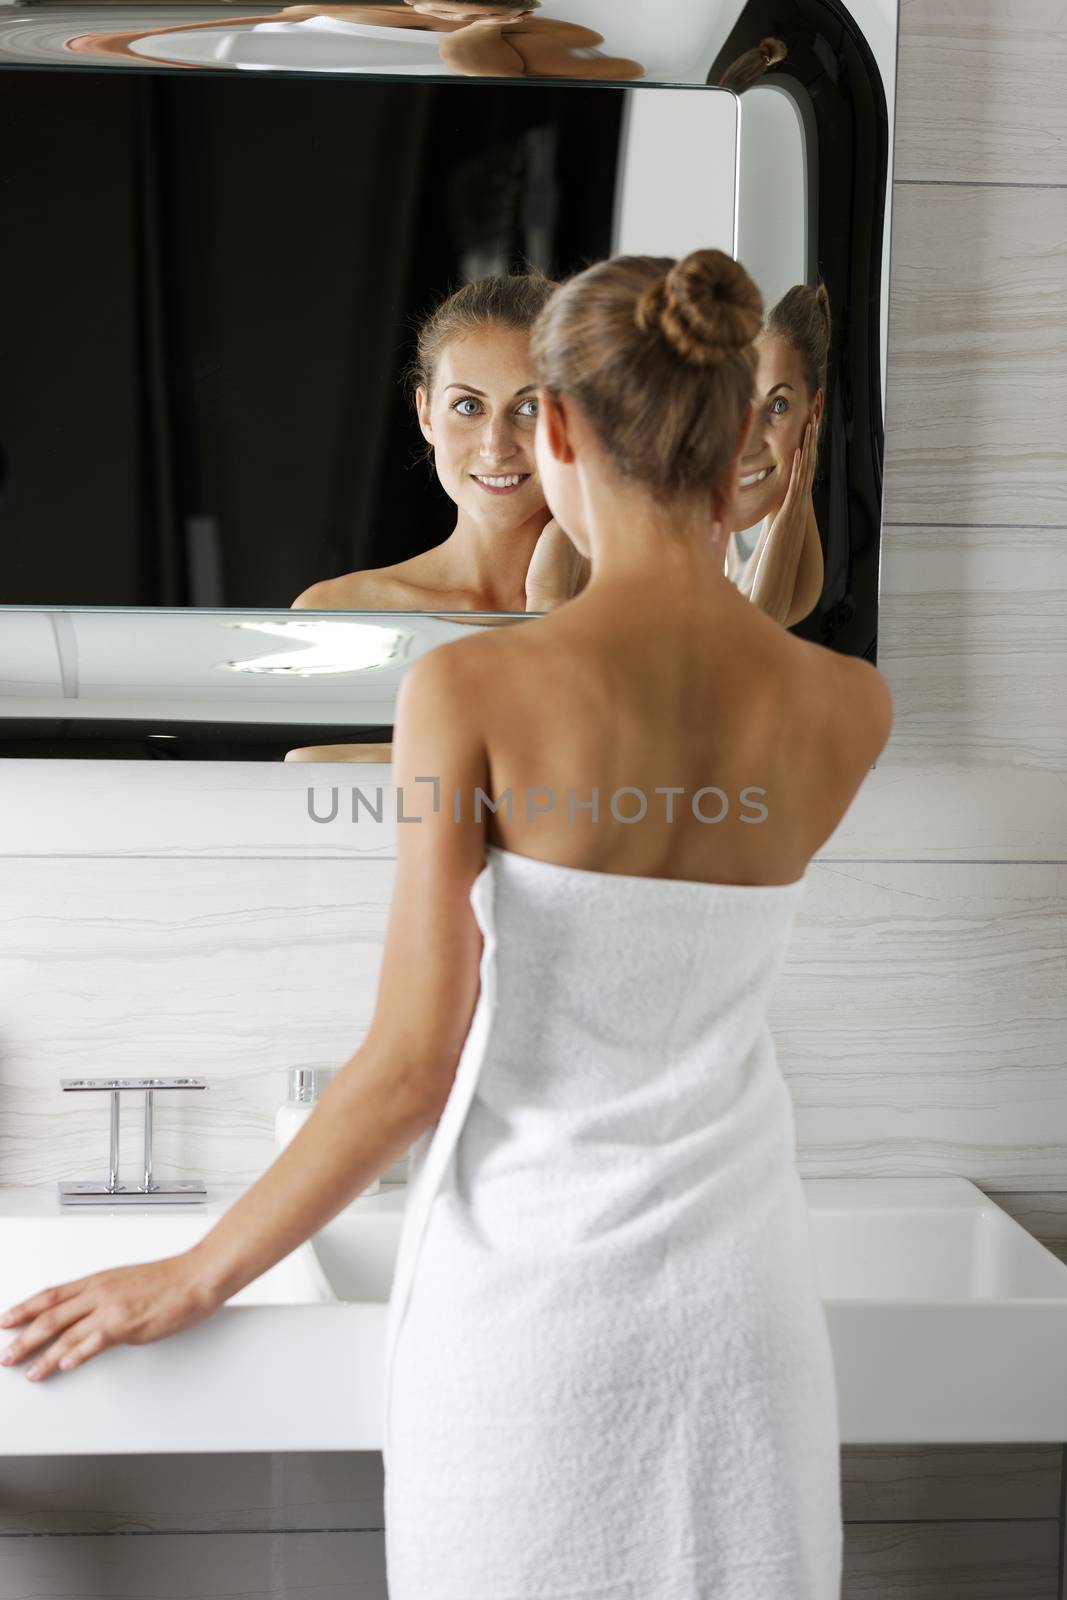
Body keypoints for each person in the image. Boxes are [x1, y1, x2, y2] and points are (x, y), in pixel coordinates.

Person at [0, 248, 892, 1599]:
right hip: (740, 1309)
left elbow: (412, 1064)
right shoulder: (846, 707)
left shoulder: (473, 688)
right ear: (730, 449)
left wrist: (190, 1276)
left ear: (555, 428)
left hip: (532, 1308)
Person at [291, 268, 589, 616]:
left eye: (530, 407)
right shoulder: (338, 611)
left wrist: (549, 598)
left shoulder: (646, 609)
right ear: (426, 415)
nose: (495, 447)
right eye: (469, 406)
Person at [65, 0, 645, 80]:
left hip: (264, 82)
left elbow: (465, 56)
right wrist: (138, 37)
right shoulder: (366, 8)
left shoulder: (523, 38)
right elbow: (280, 15)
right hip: (233, 60)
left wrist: (486, 25)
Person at [725, 282, 832, 627]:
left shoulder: (797, 567)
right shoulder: (762, 539)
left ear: (813, 413)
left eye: (779, 405)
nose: (746, 441)